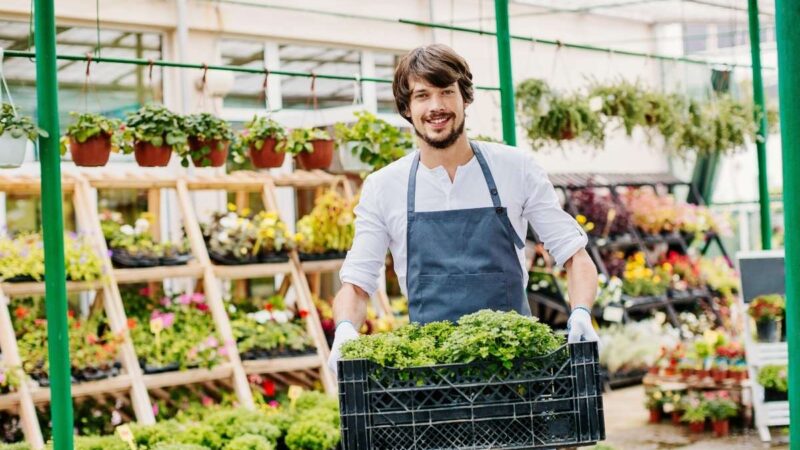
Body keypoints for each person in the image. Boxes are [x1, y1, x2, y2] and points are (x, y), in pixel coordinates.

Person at [328, 44, 599, 375]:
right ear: (406, 107)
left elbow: (575, 255)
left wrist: (581, 312)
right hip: (431, 377)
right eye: (423, 95)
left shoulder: (516, 168)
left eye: (446, 91)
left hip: (518, 371)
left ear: (465, 97)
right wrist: (344, 330)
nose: (436, 106)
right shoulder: (384, 186)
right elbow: (356, 285)